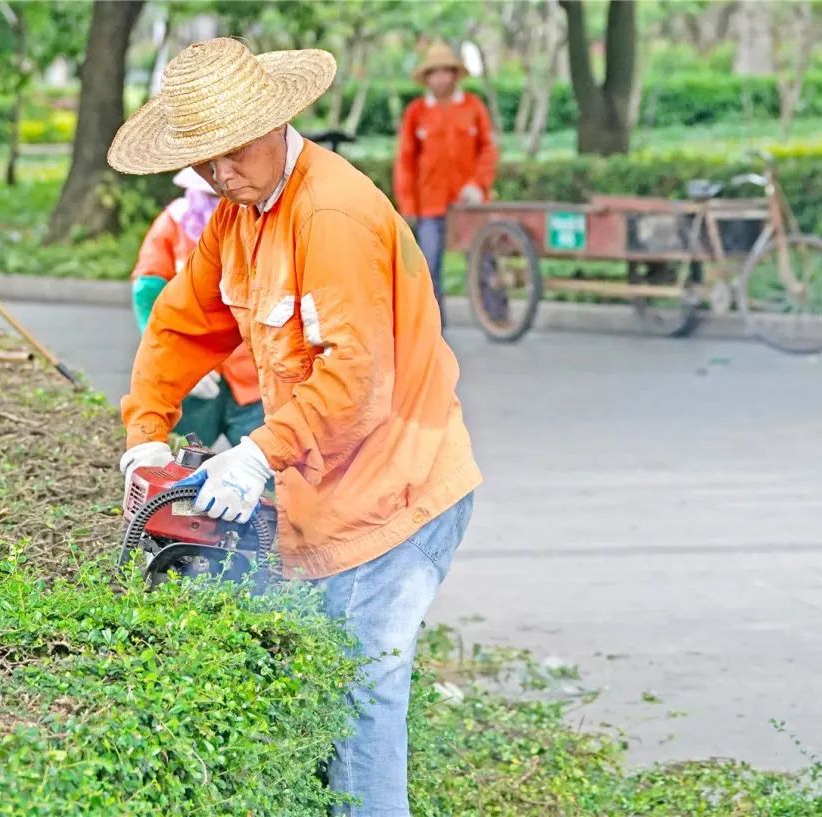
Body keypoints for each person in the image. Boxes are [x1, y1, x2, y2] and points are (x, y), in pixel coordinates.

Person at [109, 38, 481, 816]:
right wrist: (146, 432)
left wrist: (256, 454)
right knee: (314, 685)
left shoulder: (331, 215)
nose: (216, 174)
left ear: (275, 120)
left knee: (359, 694)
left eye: (228, 153)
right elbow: (181, 324)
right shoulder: (240, 216)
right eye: (200, 161)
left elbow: (358, 378)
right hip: (329, 490)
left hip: (397, 490)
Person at [129, 167, 263, 448]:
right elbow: (148, 290)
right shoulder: (174, 223)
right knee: (177, 467)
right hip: (193, 372)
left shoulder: (263, 223)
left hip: (256, 373)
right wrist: (169, 357)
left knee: (273, 474)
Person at [393, 40, 499, 325]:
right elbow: (406, 160)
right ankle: (432, 325)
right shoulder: (416, 113)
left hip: (469, 202)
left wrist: (479, 184)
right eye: (434, 72)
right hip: (430, 203)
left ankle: (496, 316)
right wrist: (408, 203)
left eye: (446, 71)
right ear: (427, 78)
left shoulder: (473, 106)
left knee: (485, 260)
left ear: (455, 74)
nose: (440, 78)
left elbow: (488, 150)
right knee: (429, 265)